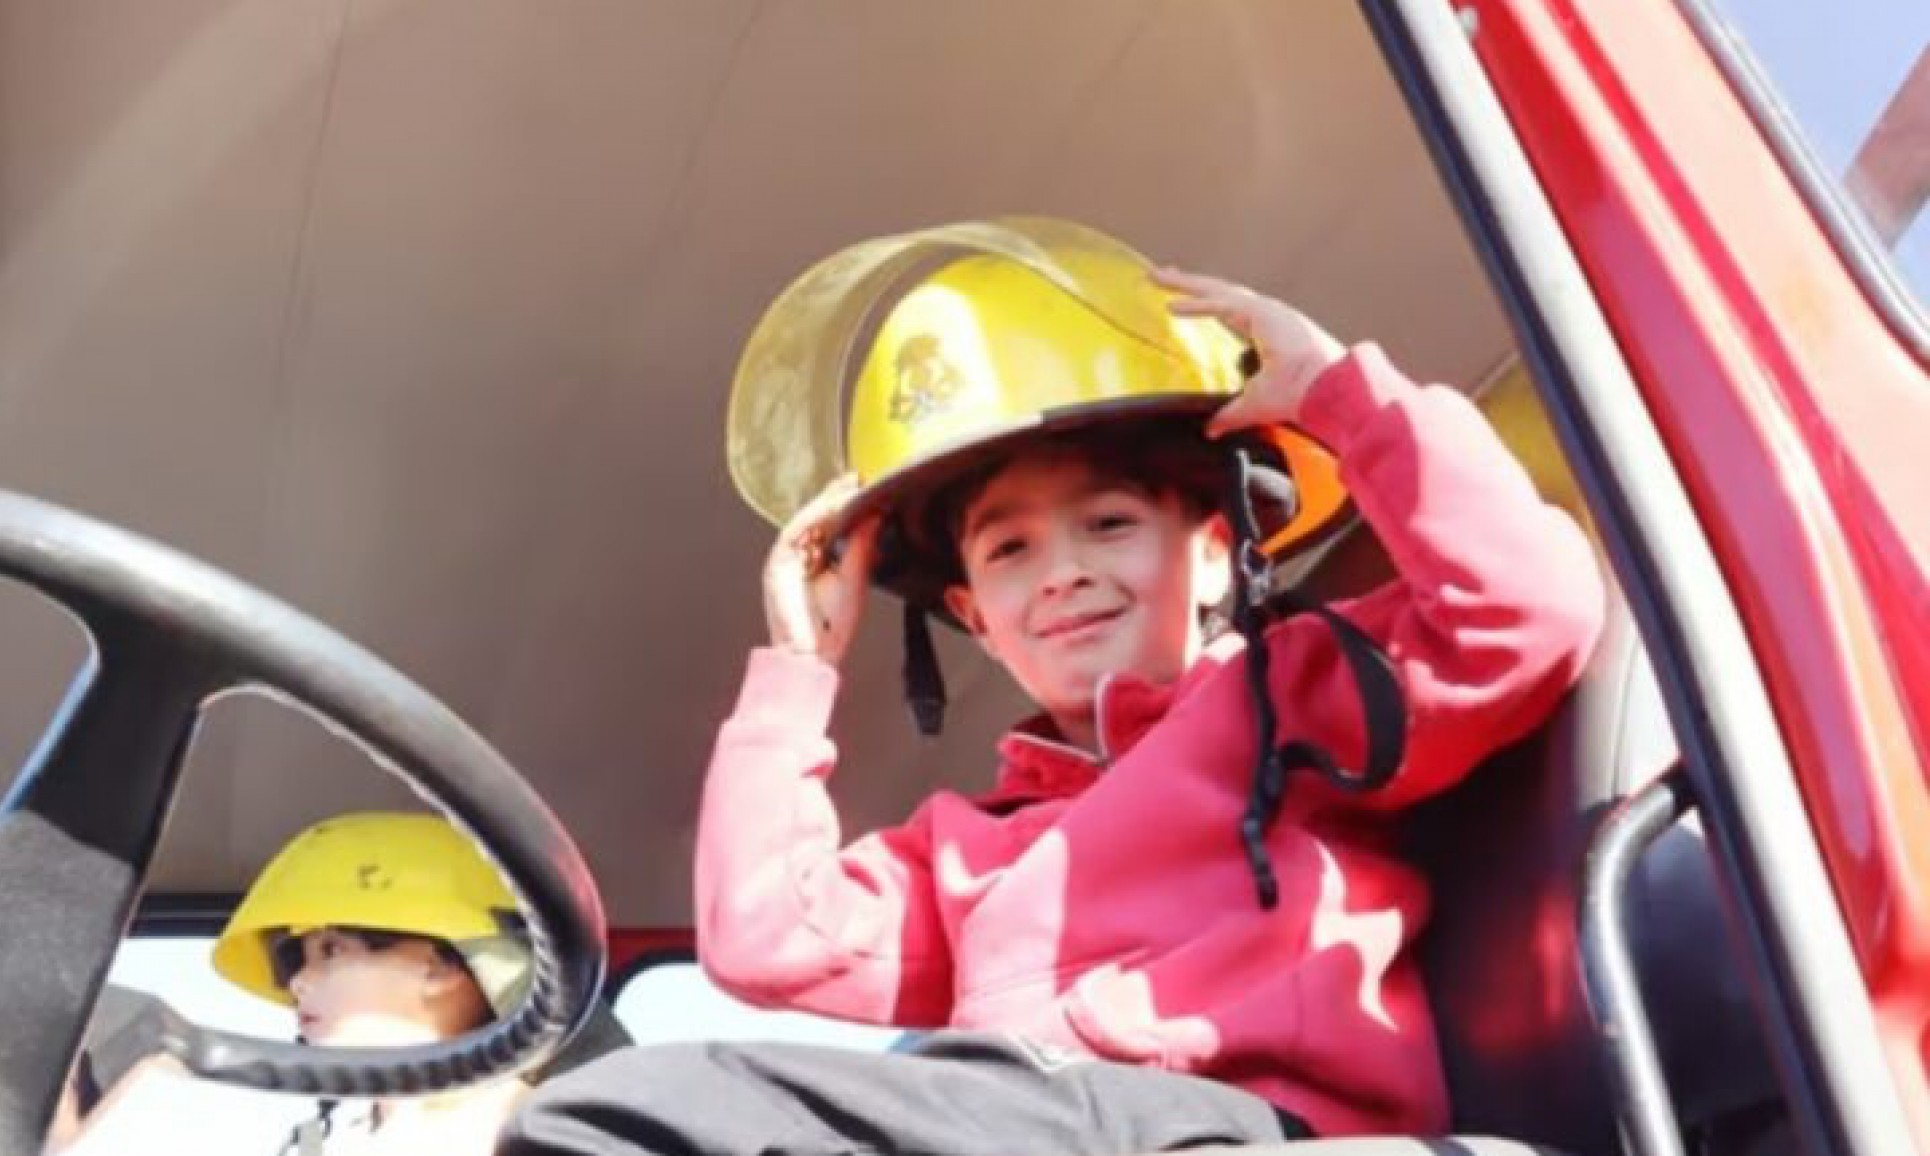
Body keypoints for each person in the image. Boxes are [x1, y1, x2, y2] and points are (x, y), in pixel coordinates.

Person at [501, 217, 1605, 1154]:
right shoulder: (966, 848)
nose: (1063, 570)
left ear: (1218, 553)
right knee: (592, 1121)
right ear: (977, 621)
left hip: (1241, 1126)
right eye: (1010, 551)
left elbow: (1529, 610)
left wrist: (1339, 398)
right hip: (1023, 1113)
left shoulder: (1294, 693)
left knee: (628, 1117)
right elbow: (763, 937)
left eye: (1110, 523)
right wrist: (801, 666)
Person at [52, 811, 625, 1155]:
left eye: (331, 950)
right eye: (299, 959)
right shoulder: (339, 1134)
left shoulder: (535, 1133)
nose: (299, 981)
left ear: (443, 965)